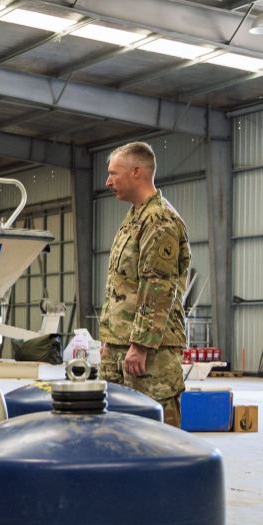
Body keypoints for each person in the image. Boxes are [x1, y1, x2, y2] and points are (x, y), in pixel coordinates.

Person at [99, 141, 190, 427]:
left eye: (113, 173)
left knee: (155, 435)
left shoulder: (160, 220)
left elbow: (157, 286)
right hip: (120, 347)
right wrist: (109, 340)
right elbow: (121, 286)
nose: (108, 181)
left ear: (136, 172)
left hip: (150, 354)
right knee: (116, 434)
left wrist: (140, 345)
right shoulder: (134, 218)